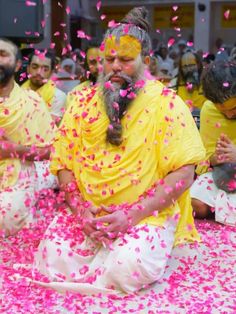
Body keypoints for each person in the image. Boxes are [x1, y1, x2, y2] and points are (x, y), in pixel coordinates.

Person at [32, 7, 205, 294]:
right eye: (108, 59)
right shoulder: (80, 101)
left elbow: (185, 174)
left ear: (146, 62)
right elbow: (62, 164)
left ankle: (123, 250)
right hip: (88, 214)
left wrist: (132, 215)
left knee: (126, 267)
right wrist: (82, 209)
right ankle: (99, 245)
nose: (114, 66)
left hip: (146, 215)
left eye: (125, 60)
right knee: (52, 258)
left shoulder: (167, 104)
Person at [0, 38, 57, 237]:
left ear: (17, 65)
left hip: (17, 173)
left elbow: (50, 150)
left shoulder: (31, 102)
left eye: (3, 54)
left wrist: (12, 150)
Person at [191, 60, 236, 226]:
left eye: (234, 108)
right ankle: (225, 206)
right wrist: (214, 159)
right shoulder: (209, 110)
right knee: (197, 204)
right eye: (223, 111)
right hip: (220, 175)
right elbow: (203, 161)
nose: (230, 115)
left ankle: (224, 207)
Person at [22, 50, 66, 123]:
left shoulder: (58, 96)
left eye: (45, 69)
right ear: (28, 69)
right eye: (34, 67)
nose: (39, 72)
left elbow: (49, 127)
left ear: (51, 72)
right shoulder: (17, 92)